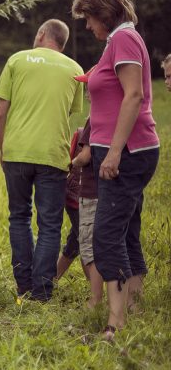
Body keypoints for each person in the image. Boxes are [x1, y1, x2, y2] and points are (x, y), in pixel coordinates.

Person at [71, 0, 159, 341]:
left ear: (103, 12)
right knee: (126, 231)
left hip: (127, 151)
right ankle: (133, 307)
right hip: (123, 148)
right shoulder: (120, 39)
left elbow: (134, 95)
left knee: (106, 234)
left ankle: (115, 323)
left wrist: (115, 151)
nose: (88, 25)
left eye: (89, 18)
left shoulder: (123, 38)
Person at [0, 19, 84, 301]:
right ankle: (42, 290)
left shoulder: (17, 60)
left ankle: (23, 285)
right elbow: (69, 113)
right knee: (50, 224)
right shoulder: (75, 70)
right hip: (52, 156)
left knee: (19, 216)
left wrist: (3, 148)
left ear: (42, 33)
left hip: (17, 151)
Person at [70, 109, 103, 307]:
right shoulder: (116, 114)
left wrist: (70, 163)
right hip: (110, 191)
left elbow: (85, 156)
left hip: (91, 191)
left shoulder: (94, 118)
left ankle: (96, 299)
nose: (88, 95)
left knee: (89, 249)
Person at [54, 129, 84, 281]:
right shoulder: (83, 133)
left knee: (76, 241)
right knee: (85, 242)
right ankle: (95, 291)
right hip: (77, 200)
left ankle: (51, 279)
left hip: (76, 197)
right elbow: (69, 161)